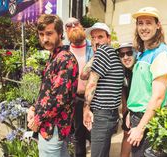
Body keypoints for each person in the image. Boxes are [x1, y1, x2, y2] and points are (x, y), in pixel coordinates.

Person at [126, 7, 167, 157]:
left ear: (157, 25)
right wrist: (130, 111)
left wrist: (140, 128)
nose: (144, 28)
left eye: (148, 23)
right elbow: (141, 89)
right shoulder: (143, 53)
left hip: (148, 120)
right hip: (138, 116)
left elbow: (158, 97)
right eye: (140, 23)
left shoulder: (160, 53)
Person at [27, 14, 78, 157]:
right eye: (41, 34)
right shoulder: (55, 57)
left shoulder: (65, 59)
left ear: (60, 33)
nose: (44, 39)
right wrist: (33, 107)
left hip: (53, 127)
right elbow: (47, 92)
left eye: (49, 33)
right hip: (51, 126)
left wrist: (37, 119)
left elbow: (58, 98)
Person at [82, 22, 124, 157]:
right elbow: (83, 75)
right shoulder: (108, 53)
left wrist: (86, 109)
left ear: (108, 38)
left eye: (100, 37)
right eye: (93, 38)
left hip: (102, 115)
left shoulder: (103, 52)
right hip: (110, 114)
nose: (96, 41)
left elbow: (91, 83)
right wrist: (95, 55)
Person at [65, 17, 93, 157]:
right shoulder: (64, 52)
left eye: (76, 23)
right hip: (75, 99)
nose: (73, 26)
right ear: (66, 31)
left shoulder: (93, 47)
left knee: (95, 135)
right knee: (78, 134)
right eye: (69, 25)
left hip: (94, 98)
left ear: (82, 26)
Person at [116, 42, 136, 157]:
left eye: (129, 53)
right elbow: (124, 93)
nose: (125, 57)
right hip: (129, 109)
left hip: (141, 111)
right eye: (122, 54)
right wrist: (125, 112)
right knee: (127, 135)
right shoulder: (124, 71)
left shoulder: (140, 68)